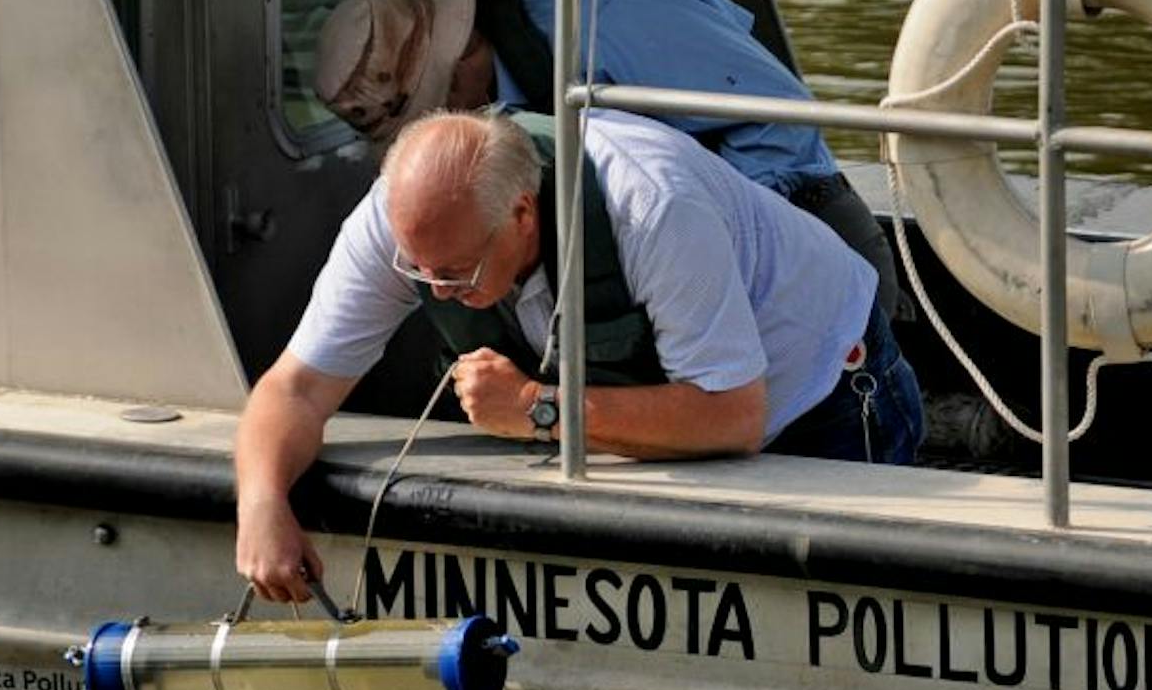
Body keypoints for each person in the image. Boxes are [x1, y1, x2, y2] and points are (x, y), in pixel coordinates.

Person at [234, 107, 924, 603]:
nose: (440, 289)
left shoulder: (650, 207)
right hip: (667, 411)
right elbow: (294, 389)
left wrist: (538, 410)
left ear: (523, 216)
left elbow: (734, 417)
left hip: (823, 391)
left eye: (459, 272)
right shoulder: (402, 224)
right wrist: (261, 501)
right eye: (423, 275)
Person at [312, 0, 901, 322]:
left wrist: (708, 241)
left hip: (807, 245)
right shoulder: (490, 117)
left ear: (459, 57)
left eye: (432, 111)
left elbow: (780, 113)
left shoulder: (599, 9)